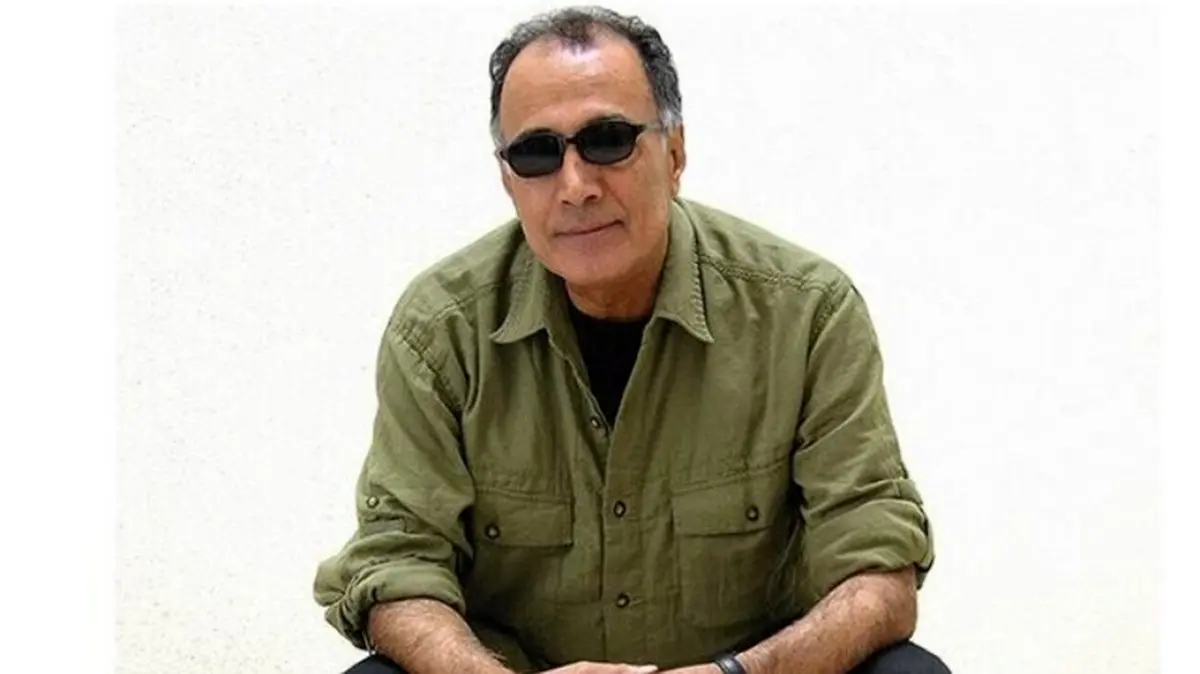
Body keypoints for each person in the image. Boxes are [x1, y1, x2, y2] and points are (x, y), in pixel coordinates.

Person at [314, 6, 948, 674]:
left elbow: (880, 571)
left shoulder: (808, 315)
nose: (576, 187)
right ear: (507, 180)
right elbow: (398, 566)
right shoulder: (440, 333)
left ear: (675, 154)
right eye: (536, 154)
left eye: (608, 141)